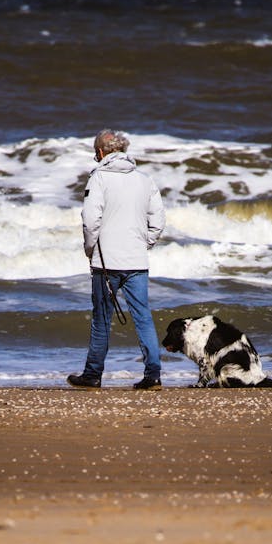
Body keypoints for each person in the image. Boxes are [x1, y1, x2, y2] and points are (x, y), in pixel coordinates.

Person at [67, 129, 165, 391]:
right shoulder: (145, 179)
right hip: (137, 262)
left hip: (106, 264)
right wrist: (144, 245)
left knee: (101, 319)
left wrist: (90, 250)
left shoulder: (98, 178)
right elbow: (158, 221)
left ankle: (92, 374)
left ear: (100, 152)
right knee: (143, 317)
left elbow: (90, 221)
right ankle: (153, 375)